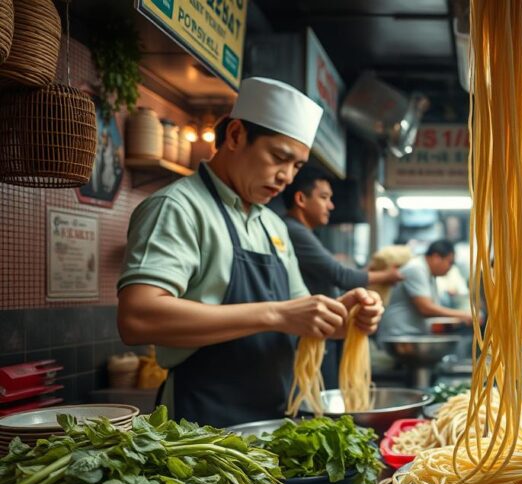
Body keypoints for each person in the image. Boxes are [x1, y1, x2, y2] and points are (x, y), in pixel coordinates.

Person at [117, 77, 383, 427]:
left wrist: (344, 319)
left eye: (297, 166)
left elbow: (301, 318)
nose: (287, 176)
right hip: (200, 430)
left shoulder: (271, 225)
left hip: (273, 422)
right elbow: (137, 317)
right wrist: (275, 314)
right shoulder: (179, 207)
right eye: (279, 157)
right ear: (236, 135)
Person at [281, 168, 404, 388]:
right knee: (312, 399)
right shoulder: (293, 230)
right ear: (300, 199)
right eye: (324, 197)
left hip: (323, 331)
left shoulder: (305, 233)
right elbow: (341, 275)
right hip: (310, 334)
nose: (331, 206)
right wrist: (388, 275)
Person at [378, 240, 473, 339]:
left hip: (410, 333)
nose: (450, 267)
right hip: (399, 334)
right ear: (436, 258)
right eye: (450, 262)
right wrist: (463, 315)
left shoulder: (428, 273)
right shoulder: (416, 268)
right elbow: (426, 308)